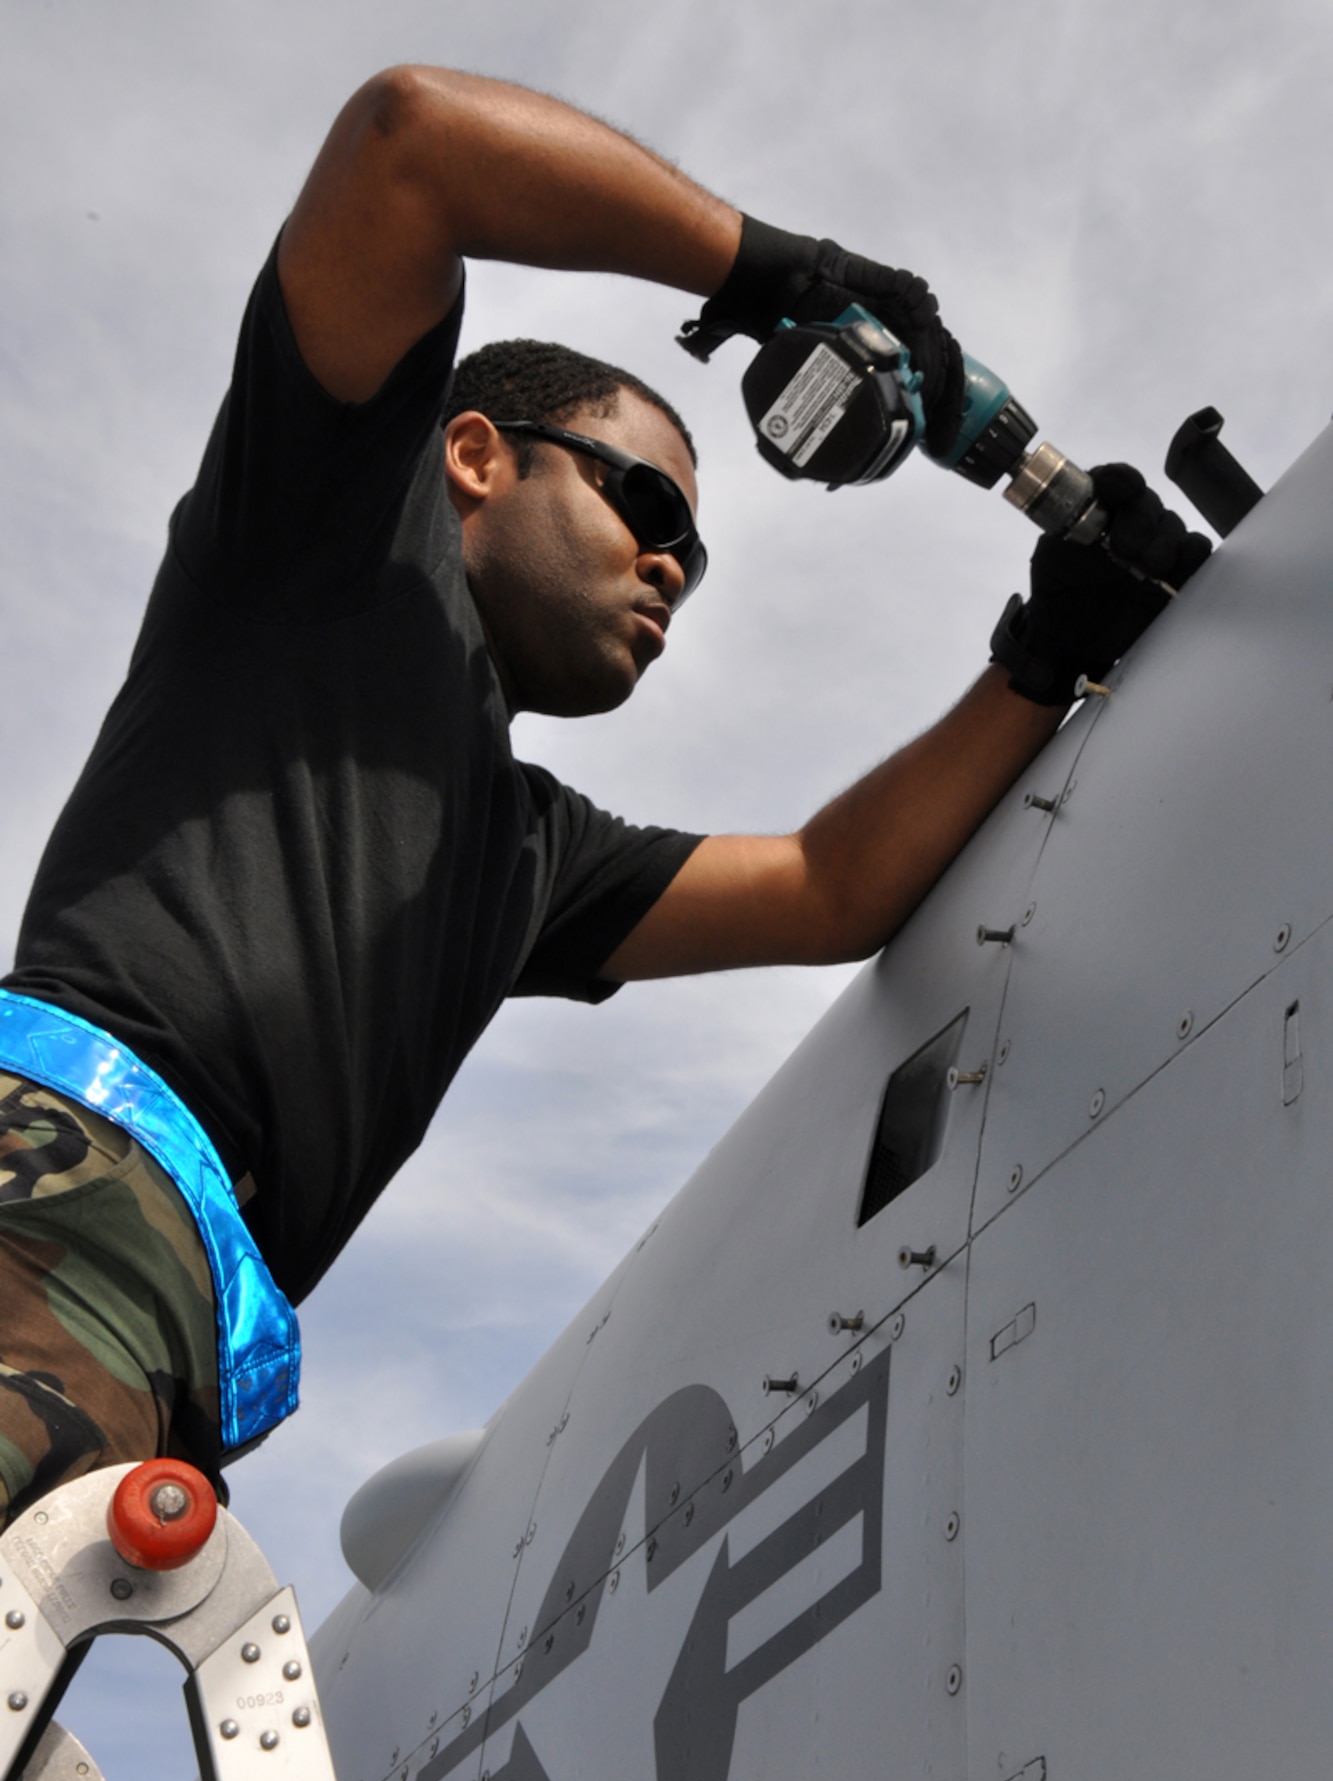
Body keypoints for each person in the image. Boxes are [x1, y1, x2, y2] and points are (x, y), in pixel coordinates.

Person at [0, 68, 1208, 1532]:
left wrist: (1040, 655)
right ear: (470, 459)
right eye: (645, 508)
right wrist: (781, 279)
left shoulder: (526, 852)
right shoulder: (321, 551)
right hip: (45, 1184)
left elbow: (835, 889)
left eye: (693, 564)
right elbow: (411, 143)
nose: (670, 572)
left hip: (157, 1335)